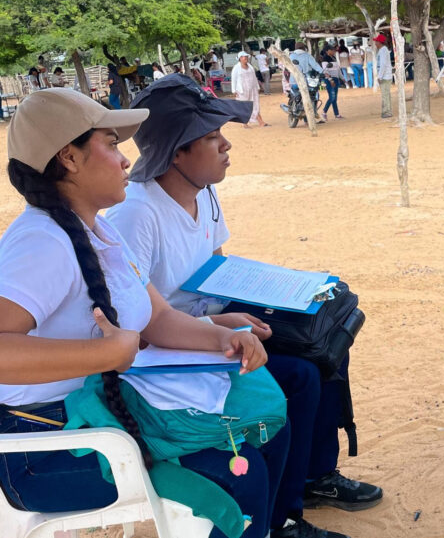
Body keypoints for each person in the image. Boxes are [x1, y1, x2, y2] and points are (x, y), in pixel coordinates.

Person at [0, 87, 290, 538]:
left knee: (265, 426)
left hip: (103, 410)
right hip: (47, 447)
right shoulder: (42, 241)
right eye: (112, 144)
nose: (125, 160)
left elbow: (156, 318)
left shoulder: (99, 231)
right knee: (238, 473)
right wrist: (104, 355)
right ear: (69, 158)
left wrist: (220, 337)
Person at [106, 74, 384, 538]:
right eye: (212, 137)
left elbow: (215, 265)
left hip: (215, 321)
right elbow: (141, 319)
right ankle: (284, 517)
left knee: (326, 339)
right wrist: (218, 321)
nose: (226, 145)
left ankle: (315, 476)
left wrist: (277, 292)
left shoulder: (204, 191)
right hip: (175, 345)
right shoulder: (136, 214)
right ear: (176, 152)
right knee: (298, 377)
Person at [289, 42, 326, 123]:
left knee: (298, 93)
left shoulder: (291, 56)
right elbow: (315, 66)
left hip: (293, 81)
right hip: (306, 81)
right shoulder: (307, 56)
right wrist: (322, 72)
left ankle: (306, 116)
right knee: (315, 94)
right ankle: (314, 112)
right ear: (304, 48)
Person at [231, 51, 268, 128]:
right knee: (244, 106)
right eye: (244, 57)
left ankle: (261, 121)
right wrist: (233, 90)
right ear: (240, 58)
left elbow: (254, 77)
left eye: (246, 57)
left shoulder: (250, 66)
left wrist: (257, 87)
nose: (246, 58)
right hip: (242, 90)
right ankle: (244, 123)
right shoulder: (236, 68)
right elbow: (233, 79)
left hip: (252, 89)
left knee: (255, 104)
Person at [319, 44, 343, 121]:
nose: (334, 51)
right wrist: (330, 79)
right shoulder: (325, 59)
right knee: (332, 97)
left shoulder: (333, 58)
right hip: (330, 80)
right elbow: (325, 70)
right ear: (327, 51)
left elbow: (338, 69)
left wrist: (342, 78)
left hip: (335, 79)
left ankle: (337, 114)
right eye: (332, 50)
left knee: (334, 98)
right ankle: (324, 112)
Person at [374, 34, 392, 118]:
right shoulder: (382, 50)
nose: (375, 43)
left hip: (385, 76)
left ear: (379, 42)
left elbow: (383, 65)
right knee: (386, 94)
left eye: (376, 41)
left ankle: (387, 111)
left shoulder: (383, 51)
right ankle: (386, 110)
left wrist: (380, 77)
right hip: (385, 75)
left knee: (385, 95)